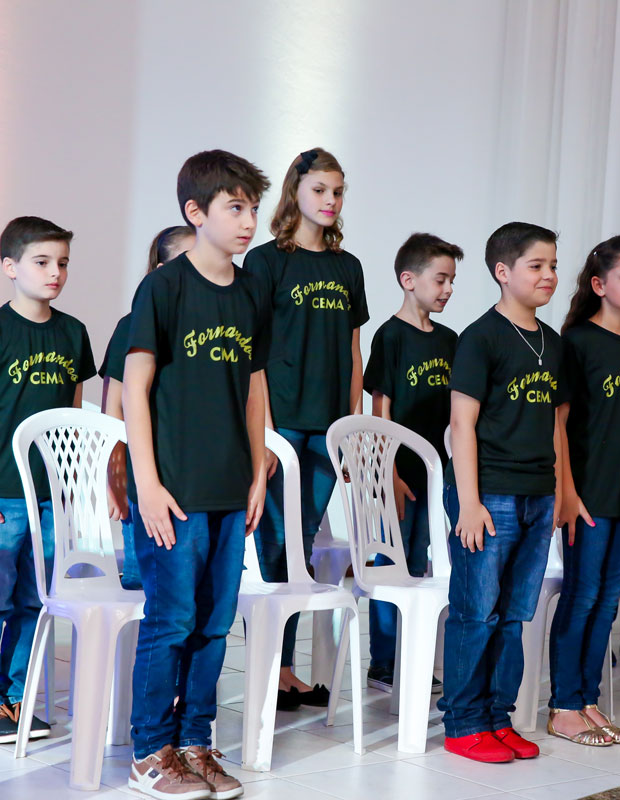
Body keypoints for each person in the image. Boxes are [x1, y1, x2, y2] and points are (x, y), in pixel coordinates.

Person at [124, 149, 271, 799]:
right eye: (235, 208)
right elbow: (135, 387)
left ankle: (194, 742)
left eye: (253, 208)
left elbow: (255, 386)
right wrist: (147, 485)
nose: (248, 222)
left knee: (215, 623)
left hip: (231, 488)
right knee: (171, 621)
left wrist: (258, 471)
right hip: (174, 490)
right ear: (196, 211)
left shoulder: (252, 290)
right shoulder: (164, 288)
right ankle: (150, 752)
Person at [0, 215, 95, 743]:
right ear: (10, 267)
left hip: (49, 498)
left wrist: (71, 491)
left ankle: (17, 696)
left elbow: (72, 422)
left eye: (62, 263)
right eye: (42, 262)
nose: (55, 272)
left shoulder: (73, 333)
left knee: (35, 601)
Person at [244, 148, 369, 709]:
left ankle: (286, 669)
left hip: (328, 425)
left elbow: (353, 352)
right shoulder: (266, 262)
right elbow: (254, 354)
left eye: (337, 191)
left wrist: (351, 428)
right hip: (283, 422)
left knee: (301, 544)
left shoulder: (348, 267)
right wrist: (266, 433)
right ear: (295, 191)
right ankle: (268, 664)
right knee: (273, 543)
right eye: (319, 189)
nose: (330, 200)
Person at [441, 221, 568, 763]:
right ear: (503, 271)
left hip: (538, 494)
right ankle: (463, 723)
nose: (549, 275)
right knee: (477, 612)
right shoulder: (481, 337)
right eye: (536, 265)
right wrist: (469, 502)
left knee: (515, 614)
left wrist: (559, 491)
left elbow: (557, 424)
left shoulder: (552, 343)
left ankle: (498, 717)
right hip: (488, 494)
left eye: (553, 265)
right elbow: (461, 425)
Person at [548, 235, 620, 747]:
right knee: (583, 596)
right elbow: (559, 423)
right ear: (599, 284)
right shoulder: (576, 342)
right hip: (589, 495)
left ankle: (588, 699)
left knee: (609, 598)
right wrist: (568, 493)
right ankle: (563, 705)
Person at [363, 232, 463, 694]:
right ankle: (384, 661)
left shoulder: (450, 340)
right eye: (440, 279)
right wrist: (387, 473)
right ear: (409, 279)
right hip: (399, 474)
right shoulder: (390, 336)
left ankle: (412, 654)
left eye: (452, 281)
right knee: (390, 559)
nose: (447, 289)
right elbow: (379, 409)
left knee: (421, 558)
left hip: (436, 474)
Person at [100, 224, 194, 589]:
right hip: (144, 472)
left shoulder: (209, 324)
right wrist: (115, 477)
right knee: (146, 581)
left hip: (191, 473)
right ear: (160, 270)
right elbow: (114, 408)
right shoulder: (133, 325)